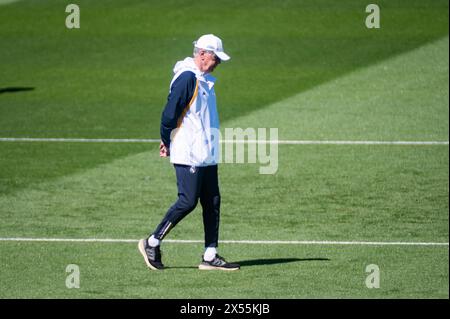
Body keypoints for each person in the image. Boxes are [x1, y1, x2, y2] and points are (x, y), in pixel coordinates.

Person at [138, 34, 240, 271]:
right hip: (189, 153)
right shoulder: (187, 78)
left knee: (212, 201)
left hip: (206, 153)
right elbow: (168, 115)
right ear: (203, 54)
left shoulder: (204, 80)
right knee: (187, 201)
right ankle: (152, 242)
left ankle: (210, 255)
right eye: (216, 58)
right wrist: (167, 141)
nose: (218, 63)